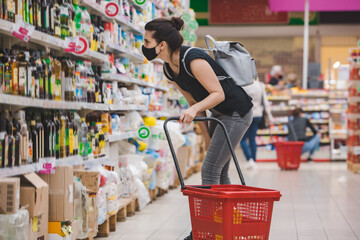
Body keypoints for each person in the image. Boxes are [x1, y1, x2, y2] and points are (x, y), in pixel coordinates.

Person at [142, 17, 253, 240]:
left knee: (210, 169)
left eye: (146, 41)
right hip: (220, 115)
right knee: (219, 170)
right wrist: (205, 134)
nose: (143, 46)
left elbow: (218, 94)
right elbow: (195, 104)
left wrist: (194, 111)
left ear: (161, 45)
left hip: (237, 113)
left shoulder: (193, 58)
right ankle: (230, 227)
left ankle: (206, 232)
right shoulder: (168, 69)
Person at [241, 79, 274, 169]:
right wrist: (270, 117)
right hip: (257, 115)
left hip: (245, 114)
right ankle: (254, 161)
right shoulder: (260, 85)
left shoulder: (243, 84)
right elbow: (265, 103)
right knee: (252, 138)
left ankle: (249, 159)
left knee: (242, 139)